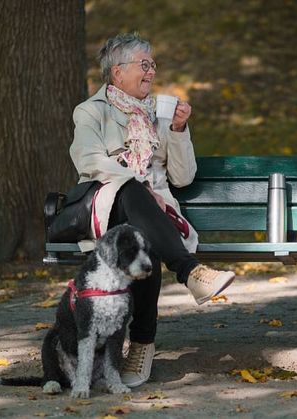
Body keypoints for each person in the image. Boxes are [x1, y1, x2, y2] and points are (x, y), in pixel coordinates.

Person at [69, 33, 235, 388]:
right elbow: (89, 159)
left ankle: (142, 343)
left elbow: (183, 176)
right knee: (131, 192)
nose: (151, 72)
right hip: (108, 208)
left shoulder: (160, 112)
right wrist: (139, 185)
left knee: (142, 235)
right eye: (144, 65)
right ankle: (191, 273)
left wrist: (178, 130)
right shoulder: (90, 112)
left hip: (154, 219)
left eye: (153, 64)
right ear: (117, 73)